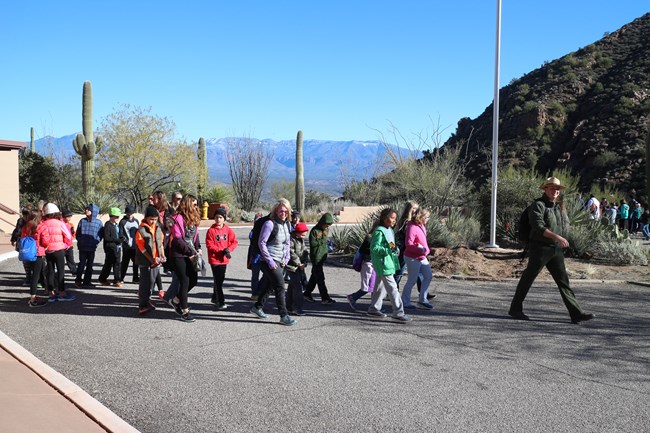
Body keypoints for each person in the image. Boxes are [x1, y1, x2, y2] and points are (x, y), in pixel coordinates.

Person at [509, 177, 594, 324]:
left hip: (556, 249)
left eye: (557, 189)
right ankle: (515, 309)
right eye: (552, 188)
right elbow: (538, 227)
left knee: (563, 282)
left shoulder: (558, 206)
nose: (555, 191)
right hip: (540, 248)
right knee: (528, 278)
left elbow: (564, 226)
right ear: (545, 189)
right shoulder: (538, 205)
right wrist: (557, 237)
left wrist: (564, 240)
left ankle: (576, 313)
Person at [250, 198, 297, 326]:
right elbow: (261, 243)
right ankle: (284, 315)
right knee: (280, 286)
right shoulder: (269, 224)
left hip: (280, 260)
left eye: (286, 211)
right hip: (268, 260)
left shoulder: (287, 224)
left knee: (269, 285)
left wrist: (286, 258)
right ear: (276, 211)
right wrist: (269, 261)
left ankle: (257, 307)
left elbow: (287, 243)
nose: (284, 213)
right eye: (281, 211)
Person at [367, 208, 412, 322]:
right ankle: (398, 312)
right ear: (384, 218)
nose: (394, 221)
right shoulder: (378, 231)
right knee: (392, 288)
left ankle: (374, 308)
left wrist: (394, 249)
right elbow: (374, 248)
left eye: (395, 219)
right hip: (383, 264)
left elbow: (390, 243)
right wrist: (387, 250)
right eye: (392, 218)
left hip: (388, 262)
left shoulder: (390, 231)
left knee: (380, 288)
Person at [167, 194, 202, 322]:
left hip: (191, 253)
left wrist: (198, 247)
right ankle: (184, 310)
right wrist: (190, 253)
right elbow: (177, 239)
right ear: (187, 204)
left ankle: (175, 300)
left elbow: (196, 236)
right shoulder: (175, 218)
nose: (196, 206)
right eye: (194, 204)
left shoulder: (194, 218)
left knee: (194, 280)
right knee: (185, 281)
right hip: (179, 254)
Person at [38, 203, 75, 302]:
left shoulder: (43, 223)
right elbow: (68, 236)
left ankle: (51, 294)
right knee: (61, 271)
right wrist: (65, 245)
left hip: (48, 250)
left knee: (50, 272)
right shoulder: (60, 223)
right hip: (59, 250)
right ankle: (62, 293)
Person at [205, 207, 238, 310]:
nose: (218, 220)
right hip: (214, 259)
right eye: (216, 217)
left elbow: (234, 242)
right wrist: (221, 250)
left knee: (220, 279)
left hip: (224, 260)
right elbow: (209, 245)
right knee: (218, 281)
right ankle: (221, 301)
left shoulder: (228, 230)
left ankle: (215, 297)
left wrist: (228, 250)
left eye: (220, 217)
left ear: (224, 218)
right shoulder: (211, 231)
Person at [135, 206, 165, 315]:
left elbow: (160, 244)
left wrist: (162, 256)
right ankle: (142, 305)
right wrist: (151, 259)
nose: (153, 221)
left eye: (155, 219)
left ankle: (147, 301)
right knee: (145, 283)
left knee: (151, 283)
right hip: (145, 261)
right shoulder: (141, 230)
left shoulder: (158, 228)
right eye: (151, 219)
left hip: (156, 261)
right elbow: (141, 248)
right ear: (146, 218)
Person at [401, 207, 434, 310]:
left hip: (422, 256)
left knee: (428, 276)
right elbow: (408, 244)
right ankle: (405, 302)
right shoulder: (411, 226)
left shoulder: (421, 225)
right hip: (412, 257)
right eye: (427, 217)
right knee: (412, 280)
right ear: (421, 216)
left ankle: (423, 300)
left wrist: (425, 250)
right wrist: (421, 250)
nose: (428, 219)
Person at [303, 212, 335, 304]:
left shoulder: (326, 230)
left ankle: (307, 293)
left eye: (329, 225)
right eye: (326, 224)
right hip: (316, 257)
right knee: (320, 278)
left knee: (314, 277)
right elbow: (313, 244)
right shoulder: (314, 231)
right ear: (322, 222)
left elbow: (325, 241)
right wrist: (322, 240)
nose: (327, 226)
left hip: (322, 257)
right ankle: (325, 298)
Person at [22, 209, 47, 307]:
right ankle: (33, 299)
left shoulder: (25, 226)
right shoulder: (40, 227)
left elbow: (23, 238)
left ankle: (33, 297)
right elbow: (45, 241)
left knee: (33, 275)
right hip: (38, 253)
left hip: (27, 253)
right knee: (36, 277)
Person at [75, 203, 103, 289]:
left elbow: (100, 234)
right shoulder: (82, 221)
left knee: (90, 265)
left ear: (94, 212)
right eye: (86, 209)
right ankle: (78, 280)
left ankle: (87, 281)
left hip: (92, 247)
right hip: (82, 247)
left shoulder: (98, 222)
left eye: (88, 209)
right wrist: (80, 240)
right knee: (81, 264)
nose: (86, 210)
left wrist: (96, 241)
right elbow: (78, 233)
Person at [346, 232, 376, 310]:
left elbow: (392, 244)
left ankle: (375, 306)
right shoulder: (370, 238)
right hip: (369, 264)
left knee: (375, 286)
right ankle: (353, 297)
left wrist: (393, 248)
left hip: (376, 264)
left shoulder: (387, 234)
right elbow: (364, 250)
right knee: (368, 287)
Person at [286, 222, 310, 316]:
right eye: (304, 233)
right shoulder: (291, 239)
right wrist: (299, 263)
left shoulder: (301, 239)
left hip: (299, 266)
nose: (305, 234)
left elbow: (305, 250)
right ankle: (297, 308)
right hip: (291, 266)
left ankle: (289, 307)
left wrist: (305, 261)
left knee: (292, 286)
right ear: (299, 232)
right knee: (298, 288)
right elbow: (291, 253)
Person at [98, 207, 125, 287]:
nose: (118, 218)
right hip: (110, 248)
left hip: (117, 248)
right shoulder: (107, 225)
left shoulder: (117, 225)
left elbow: (119, 234)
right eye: (116, 216)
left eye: (118, 216)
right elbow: (107, 238)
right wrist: (117, 240)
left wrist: (122, 238)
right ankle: (102, 279)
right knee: (108, 265)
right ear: (111, 216)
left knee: (117, 264)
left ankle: (117, 280)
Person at [119, 205, 140, 284]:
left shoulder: (136, 221)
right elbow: (120, 234)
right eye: (128, 213)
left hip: (136, 246)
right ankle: (121, 278)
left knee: (136, 263)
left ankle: (135, 278)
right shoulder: (123, 222)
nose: (129, 215)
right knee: (125, 263)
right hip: (127, 247)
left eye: (130, 213)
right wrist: (126, 242)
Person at [61, 209, 78, 275]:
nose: (69, 218)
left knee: (70, 259)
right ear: (64, 217)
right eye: (68, 217)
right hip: (62, 245)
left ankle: (74, 271)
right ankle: (61, 271)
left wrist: (73, 233)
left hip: (69, 245)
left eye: (70, 216)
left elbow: (73, 235)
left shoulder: (70, 225)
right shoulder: (61, 224)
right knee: (61, 260)